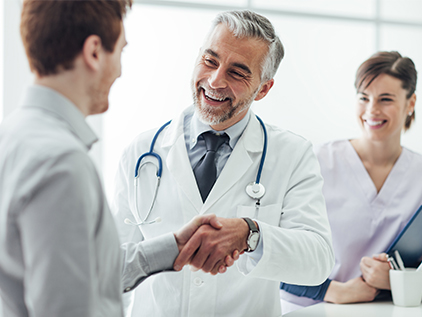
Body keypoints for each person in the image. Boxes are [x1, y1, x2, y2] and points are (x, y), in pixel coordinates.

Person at [0, 1, 236, 316]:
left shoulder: (13, 134)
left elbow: (82, 271)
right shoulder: (61, 164)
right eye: (120, 52)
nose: (120, 71)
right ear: (94, 52)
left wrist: (173, 248)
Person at [112, 10, 334, 317]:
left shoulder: (292, 155)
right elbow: (114, 266)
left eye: (237, 72)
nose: (216, 80)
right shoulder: (140, 153)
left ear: (264, 88)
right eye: (210, 60)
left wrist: (250, 233)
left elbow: (318, 261)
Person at [280, 51, 422, 313]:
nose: (372, 110)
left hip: (382, 310)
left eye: (386, 99)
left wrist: (396, 280)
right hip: (310, 308)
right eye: (363, 98)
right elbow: (269, 251)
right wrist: (334, 291)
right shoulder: (318, 160)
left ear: (410, 103)